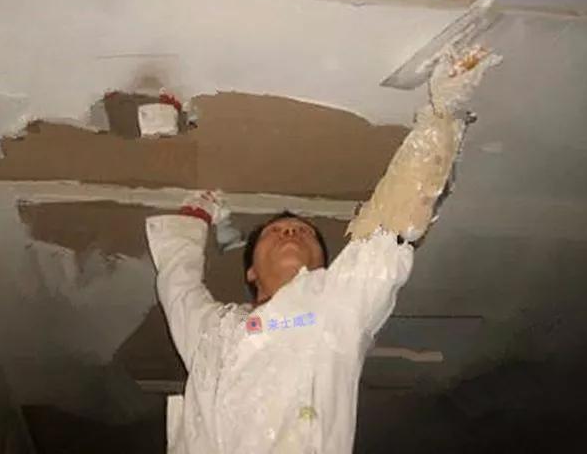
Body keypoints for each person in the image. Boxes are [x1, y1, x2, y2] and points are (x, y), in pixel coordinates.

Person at [145, 46, 501, 453]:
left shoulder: (333, 307)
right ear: (251, 272)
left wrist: (442, 115)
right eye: (276, 231)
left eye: (303, 232)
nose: (290, 231)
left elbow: (388, 233)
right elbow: (179, 287)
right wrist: (444, 116)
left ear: (322, 268)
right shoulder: (217, 330)